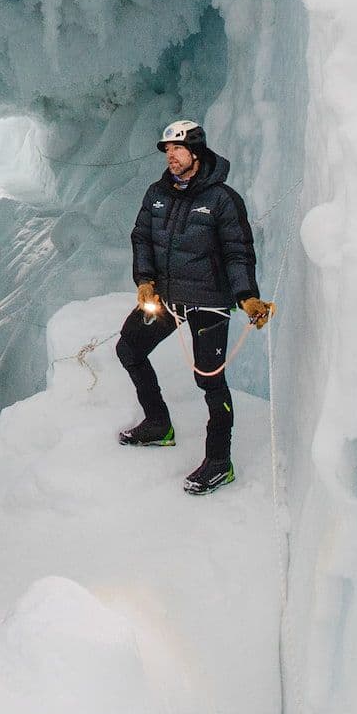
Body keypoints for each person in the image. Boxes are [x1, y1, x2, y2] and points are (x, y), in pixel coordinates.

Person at [115, 120, 275, 495]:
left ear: (196, 152)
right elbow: (142, 237)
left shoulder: (222, 200)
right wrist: (145, 281)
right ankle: (158, 424)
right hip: (167, 298)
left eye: (178, 148)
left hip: (209, 304)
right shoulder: (158, 193)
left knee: (209, 379)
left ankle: (220, 462)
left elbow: (238, 253)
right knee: (128, 348)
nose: (171, 155)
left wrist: (246, 296)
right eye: (167, 149)